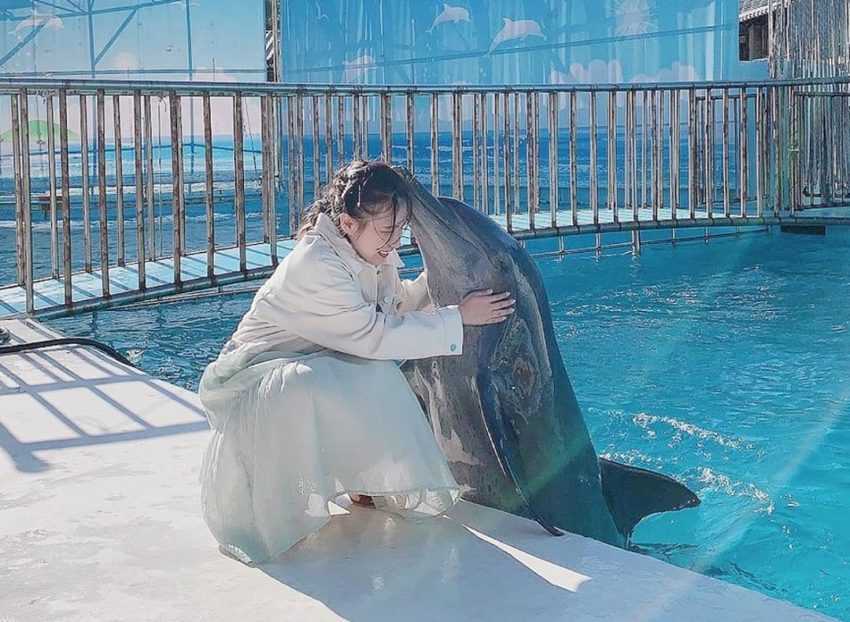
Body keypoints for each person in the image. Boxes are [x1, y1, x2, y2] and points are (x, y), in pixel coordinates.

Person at [197, 159, 515, 565]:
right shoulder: (316, 265)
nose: (395, 241)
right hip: (255, 386)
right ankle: (293, 506)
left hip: (306, 366)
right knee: (368, 376)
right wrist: (459, 318)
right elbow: (374, 335)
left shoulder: (364, 252)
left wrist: (446, 291)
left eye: (400, 230)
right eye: (387, 230)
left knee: (357, 376)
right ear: (348, 223)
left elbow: (393, 305)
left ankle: (362, 482)